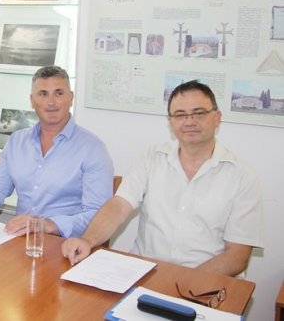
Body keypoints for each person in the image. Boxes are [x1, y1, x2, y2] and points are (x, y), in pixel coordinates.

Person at [62, 80, 264, 277]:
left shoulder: (242, 177)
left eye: (199, 113)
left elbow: (237, 256)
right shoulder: (152, 158)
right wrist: (88, 240)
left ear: (217, 118)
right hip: (145, 273)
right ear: (171, 122)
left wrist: (181, 284)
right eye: (180, 115)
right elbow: (120, 205)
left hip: (205, 283)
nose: (189, 121)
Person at [0, 65, 114, 237]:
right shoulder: (16, 141)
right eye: (43, 94)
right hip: (21, 241)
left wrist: (50, 224)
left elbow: (98, 214)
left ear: (71, 98)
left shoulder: (92, 149)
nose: (51, 102)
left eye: (59, 93)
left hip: (65, 244)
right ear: (32, 100)